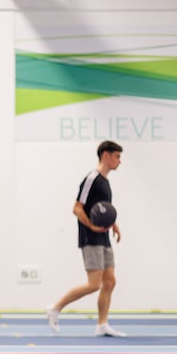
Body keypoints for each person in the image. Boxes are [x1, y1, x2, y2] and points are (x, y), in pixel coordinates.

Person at [46, 140, 125, 337]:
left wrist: (113, 224)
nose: (119, 161)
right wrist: (91, 226)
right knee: (94, 284)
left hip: (104, 238)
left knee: (110, 281)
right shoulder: (92, 179)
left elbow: (103, 210)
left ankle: (102, 324)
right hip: (91, 238)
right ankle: (55, 308)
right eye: (117, 156)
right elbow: (77, 208)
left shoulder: (106, 182)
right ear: (105, 155)